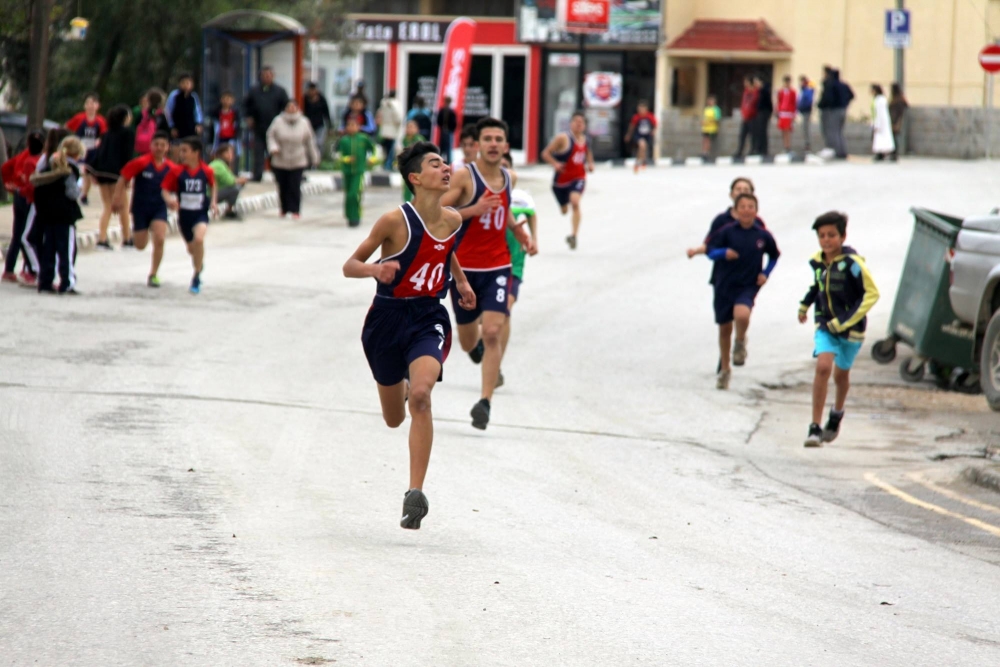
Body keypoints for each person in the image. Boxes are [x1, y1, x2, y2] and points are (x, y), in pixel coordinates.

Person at [342, 141, 476, 529]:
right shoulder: (393, 221)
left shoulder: (452, 219)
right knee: (393, 418)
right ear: (416, 178)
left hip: (428, 315)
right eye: (436, 164)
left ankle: (414, 493)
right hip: (386, 319)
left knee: (421, 395)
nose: (445, 168)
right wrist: (375, 271)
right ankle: (398, 385)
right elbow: (350, 265)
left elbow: (446, 251)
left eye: (445, 162)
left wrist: (462, 283)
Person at [439, 117, 533, 430]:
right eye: (488, 138)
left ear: (506, 146)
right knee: (468, 341)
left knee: (492, 331)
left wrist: (518, 232)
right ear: (477, 144)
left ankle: (485, 402)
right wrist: (472, 211)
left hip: (498, 266)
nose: (493, 144)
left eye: (499, 139)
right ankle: (474, 349)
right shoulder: (465, 177)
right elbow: (437, 212)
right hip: (464, 270)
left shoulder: (509, 177)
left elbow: (502, 209)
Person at [799, 211, 879, 447]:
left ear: (843, 236)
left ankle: (836, 414)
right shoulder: (817, 262)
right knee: (823, 367)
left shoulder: (853, 265)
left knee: (841, 375)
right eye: (822, 235)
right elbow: (817, 285)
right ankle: (814, 427)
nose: (826, 240)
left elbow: (871, 293)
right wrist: (804, 305)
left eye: (831, 235)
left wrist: (844, 321)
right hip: (825, 326)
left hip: (851, 332)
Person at [706, 193, 780, 390]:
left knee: (742, 314)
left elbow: (774, 255)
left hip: (747, 285)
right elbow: (710, 251)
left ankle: (740, 342)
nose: (747, 210)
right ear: (736, 211)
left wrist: (765, 273)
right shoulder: (726, 231)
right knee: (724, 329)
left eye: (751, 206)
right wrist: (724, 253)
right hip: (724, 284)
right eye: (743, 207)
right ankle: (724, 369)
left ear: (756, 211)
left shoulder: (762, 235)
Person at [497, 152, 539, 388]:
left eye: (506, 167)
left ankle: (496, 366)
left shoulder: (521, 198)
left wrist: (534, 239)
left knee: (505, 311)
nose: (502, 171)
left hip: (514, 263)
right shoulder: (482, 194)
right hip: (486, 264)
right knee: (487, 321)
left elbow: (532, 216)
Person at [115, 131, 176, 286]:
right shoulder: (141, 162)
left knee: (160, 239)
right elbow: (123, 178)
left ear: (168, 147)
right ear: (150, 146)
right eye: (156, 145)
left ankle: (153, 274)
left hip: (159, 208)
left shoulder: (171, 167)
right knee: (140, 245)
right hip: (140, 208)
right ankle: (144, 231)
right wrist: (117, 199)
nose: (159, 148)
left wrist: (175, 201)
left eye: (163, 145)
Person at [161, 137, 218, 294]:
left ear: (196, 153)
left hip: (200, 214)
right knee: (193, 250)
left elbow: (213, 186)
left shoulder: (206, 171)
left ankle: (196, 276)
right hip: (184, 216)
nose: (181, 154)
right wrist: (169, 200)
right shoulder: (177, 171)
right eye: (181, 151)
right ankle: (199, 263)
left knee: (199, 239)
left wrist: (213, 202)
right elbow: (165, 189)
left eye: (185, 151)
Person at [29, 136, 86, 294]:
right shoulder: (69, 170)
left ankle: (46, 282)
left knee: (49, 250)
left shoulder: (47, 167)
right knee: (66, 251)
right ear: (77, 154)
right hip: (65, 217)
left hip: (47, 216)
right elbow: (72, 193)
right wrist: (81, 188)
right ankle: (67, 282)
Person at [20, 128, 71, 287]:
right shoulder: (56, 161)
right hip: (53, 206)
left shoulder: (45, 160)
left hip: (42, 204)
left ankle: (41, 271)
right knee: (50, 241)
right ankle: (45, 272)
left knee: (37, 238)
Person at [541, 111, 594, 250]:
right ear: (570, 123)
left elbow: (588, 152)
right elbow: (545, 153)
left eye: (581, 122)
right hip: (560, 182)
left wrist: (590, 163)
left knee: (575, 203)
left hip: (578, 177)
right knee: (564, 210)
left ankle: (574, 236)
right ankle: (563, 205)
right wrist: (555, 164)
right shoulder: (563, 138)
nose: (578, 124)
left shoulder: (585, 140)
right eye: (576, 121)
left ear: (584, 126)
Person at [1, 130, 44, 283]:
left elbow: (5, 167)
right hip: (27, 198)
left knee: (18, 234)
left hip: (18, 196)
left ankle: (9, 269)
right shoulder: (36, 160)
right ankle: (30, 269)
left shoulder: (22, 156)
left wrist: (8, 184)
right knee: (29, 234)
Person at [91, 104, 135, 250]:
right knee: (123, 207)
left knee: (108, 206)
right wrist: (128, 177)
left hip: (102, 173)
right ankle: (127, 238)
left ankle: (102, 238)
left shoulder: (106, 134)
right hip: (118, 174)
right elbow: (128, 156)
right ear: (125, 118)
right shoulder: (127, 133)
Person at [267, 100, 320, 220]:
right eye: (289, 107)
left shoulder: (304, 122)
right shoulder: (277, 121)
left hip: (298, 158)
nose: (291, 109)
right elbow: (270, 136)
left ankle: (295, 210)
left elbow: (310, 140)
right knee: (283, 185)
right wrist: (273, 148)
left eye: (293, 107)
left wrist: (314, 157)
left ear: (297, 108)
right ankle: (284, 209)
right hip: (280, 158)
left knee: (295, 185)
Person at [244, 66, 290, 182]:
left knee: (274, 153)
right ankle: (257, 175)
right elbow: (245, 105)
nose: (267, 78)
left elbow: (286, 107)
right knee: (258, 153)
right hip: (259, 127)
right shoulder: (254, 91)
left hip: (275, 128)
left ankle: (278, 175)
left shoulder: (280, 91)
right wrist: (248, 117)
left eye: (269, 75)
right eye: (264, 75)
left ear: (273, 76)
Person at [335, 116, 378, 227]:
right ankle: (349, 216)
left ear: (359, 127)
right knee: (348, 195)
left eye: (354, 125)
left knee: (355, 194)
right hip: (347, 171)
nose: (351, 128)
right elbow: (338, 155)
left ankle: (356, 217)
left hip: (359, 171)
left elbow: (373, 149)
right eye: (349, 125)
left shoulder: (363, 139)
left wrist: (372, 159)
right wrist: (346, 159)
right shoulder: (343, 140)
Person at [65, 92, 107, 205]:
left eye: (93, 103)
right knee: (80, 169)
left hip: (93, 150)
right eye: (88, 103)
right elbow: (66, 128)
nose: (90, 106)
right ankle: (76, 190)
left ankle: (84, 195)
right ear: (85, 105)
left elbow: (104, 135)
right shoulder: (79, 118)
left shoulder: (101, 121)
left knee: (88, 173)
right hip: (79, 150)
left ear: (98, 106)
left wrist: (99, 141)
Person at [208, 144, 247, 220]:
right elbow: (230, 181)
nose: (230, 155)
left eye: (231, 153)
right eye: (228, 153)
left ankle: (230, 209)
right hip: (209, 195)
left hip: (214, 191)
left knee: (237, 185)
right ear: (221, 154)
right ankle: (229, 210)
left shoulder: (222, 164)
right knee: (235, 188)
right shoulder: (218, 164)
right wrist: (240, 180)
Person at [165, 74, 204, 142]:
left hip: (191, 128)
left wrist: (198, 124)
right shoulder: (174, 95)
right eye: (183, 83)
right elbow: (168, 112)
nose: (185, 85)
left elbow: (197, 111)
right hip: (178, 128)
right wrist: (172, 127)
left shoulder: (193, 96)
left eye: (188, 83)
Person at [624, 99, 657, 173]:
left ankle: (642, 161)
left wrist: (653, 131)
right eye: (639, 109)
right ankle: (640, 162)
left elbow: (655, 125)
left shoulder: (650, 116)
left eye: (642, 109)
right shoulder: (636, 117)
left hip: (647, 135)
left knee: (643, 149)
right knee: (642, 145)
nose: (641, 111)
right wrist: (628, 135)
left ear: (646, 109)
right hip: (638, 135)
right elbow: (632, 127)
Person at [210, 91, 241, 166]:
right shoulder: (216, 113)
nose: (226, 101)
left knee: (230, 156)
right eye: (225, 98)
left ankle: (230, 173)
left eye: (229, 99)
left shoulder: (235, 113)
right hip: (219, 138)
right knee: (216, 155)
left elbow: (237, 126)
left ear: (232, 100)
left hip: (230, 138)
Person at [134, 88, 168, 155]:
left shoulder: (143, 114)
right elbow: (165, 130)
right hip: (157, 146)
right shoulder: (161, 115)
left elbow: (136, 124)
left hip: (142, 145)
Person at [399, 120, 426, 203]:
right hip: (408, 167)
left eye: (412, 127)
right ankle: (407, 205)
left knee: (417, 187)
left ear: (417, 129)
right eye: (408, 127)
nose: (409, 129)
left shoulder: (418, 139)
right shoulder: (405, 139)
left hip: (417, 167)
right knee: (407, 187)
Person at [303, 82, 333, 158]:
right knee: (308, 143)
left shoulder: (322, 99)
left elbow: (326, 113)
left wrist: (330, 126)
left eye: (314, 90)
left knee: (318, 143)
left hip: (319, 125)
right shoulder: (304, 99)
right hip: (307, 125)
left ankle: (317, 159)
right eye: (310, 90)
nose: (312, 92)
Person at [377, 90, 403, 170]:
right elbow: (398, 118)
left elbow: (379, 115)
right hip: (392, 129)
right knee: (391, 149)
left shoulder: (383, 104)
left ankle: (385, 164)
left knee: (385, 148)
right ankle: (388, 165)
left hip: (384, 128)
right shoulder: (395, 104)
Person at [733, 77, 758, 158]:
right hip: (745, 117)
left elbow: (754, 103)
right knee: (742, 135)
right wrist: (743, 113)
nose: (745, 84)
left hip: (753, 117)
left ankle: (753, 149)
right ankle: (740, 150)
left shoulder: (755, 92)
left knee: (752, 135)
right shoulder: (746, 92)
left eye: (746, 82)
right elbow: (743, 104)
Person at [870, 84, 895, 162]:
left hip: (882, 123)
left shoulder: (880, 100)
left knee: (884, 139)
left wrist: (877, 123)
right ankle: (880, 153)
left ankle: (888, 153)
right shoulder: (876, 99)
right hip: (878, 121)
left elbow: (880, 113)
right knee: (879, 139)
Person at [776, 76, 797, 154]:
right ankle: (785, 146)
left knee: (787, 130)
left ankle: (788, 147)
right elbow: (779, 101)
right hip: (782, 113)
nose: (787, 84)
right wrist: (778, 111)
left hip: (789, 113)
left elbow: (794, 103)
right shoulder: (781, 92)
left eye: (788, 82)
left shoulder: (793, 92)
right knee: (783, 131)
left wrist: (794, 114)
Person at [752, 75, 772, 156]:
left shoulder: (764, 90)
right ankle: (759, 148)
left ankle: (763, 149)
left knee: (762, 130)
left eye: (756, 82)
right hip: (759, 112)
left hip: (764, 112)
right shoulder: (758, 91)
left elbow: (767, 102)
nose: (755, 84)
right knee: (759, 131)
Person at [889, 83, 908, 162]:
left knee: (894, 138)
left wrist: (896, 123)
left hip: (896, 121)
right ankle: (893, 153)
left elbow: (899, 112)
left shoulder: (898, 100)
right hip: (894, 120)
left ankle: (894, 154)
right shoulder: (897, 99)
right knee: (893, 137)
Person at [435, 96, 458, 163]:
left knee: (446, 147)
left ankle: (445, 161)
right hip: (446, 131)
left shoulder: (445, 111)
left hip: (446, 130)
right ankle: (445, 161)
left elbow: (439, 121)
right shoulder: (447, 111)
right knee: (445, 147)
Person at [798, 75, 816, 152]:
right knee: (804, 128)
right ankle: (806, 144)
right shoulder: (803, 91)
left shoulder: (807, 90)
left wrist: (803, 107)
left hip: (806, 111)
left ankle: (807, 144)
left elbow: (808, 101)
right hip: (803, 111)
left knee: (806, 128)